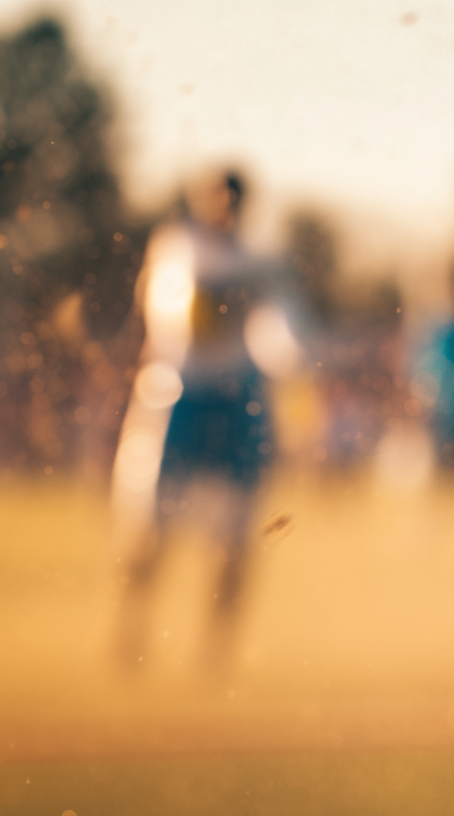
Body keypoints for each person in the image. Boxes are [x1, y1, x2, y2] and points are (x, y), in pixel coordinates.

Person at [112, 170, 296, 675]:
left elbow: (280, 329)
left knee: (235, 537)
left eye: (234, 200)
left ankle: (214, 654)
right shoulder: (178, 248)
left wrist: (290, 356)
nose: (226, 209)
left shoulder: (258, 260)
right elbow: (179, 313)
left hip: (236, 402)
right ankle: (131, 638)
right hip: (179, 399)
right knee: (149, 530)